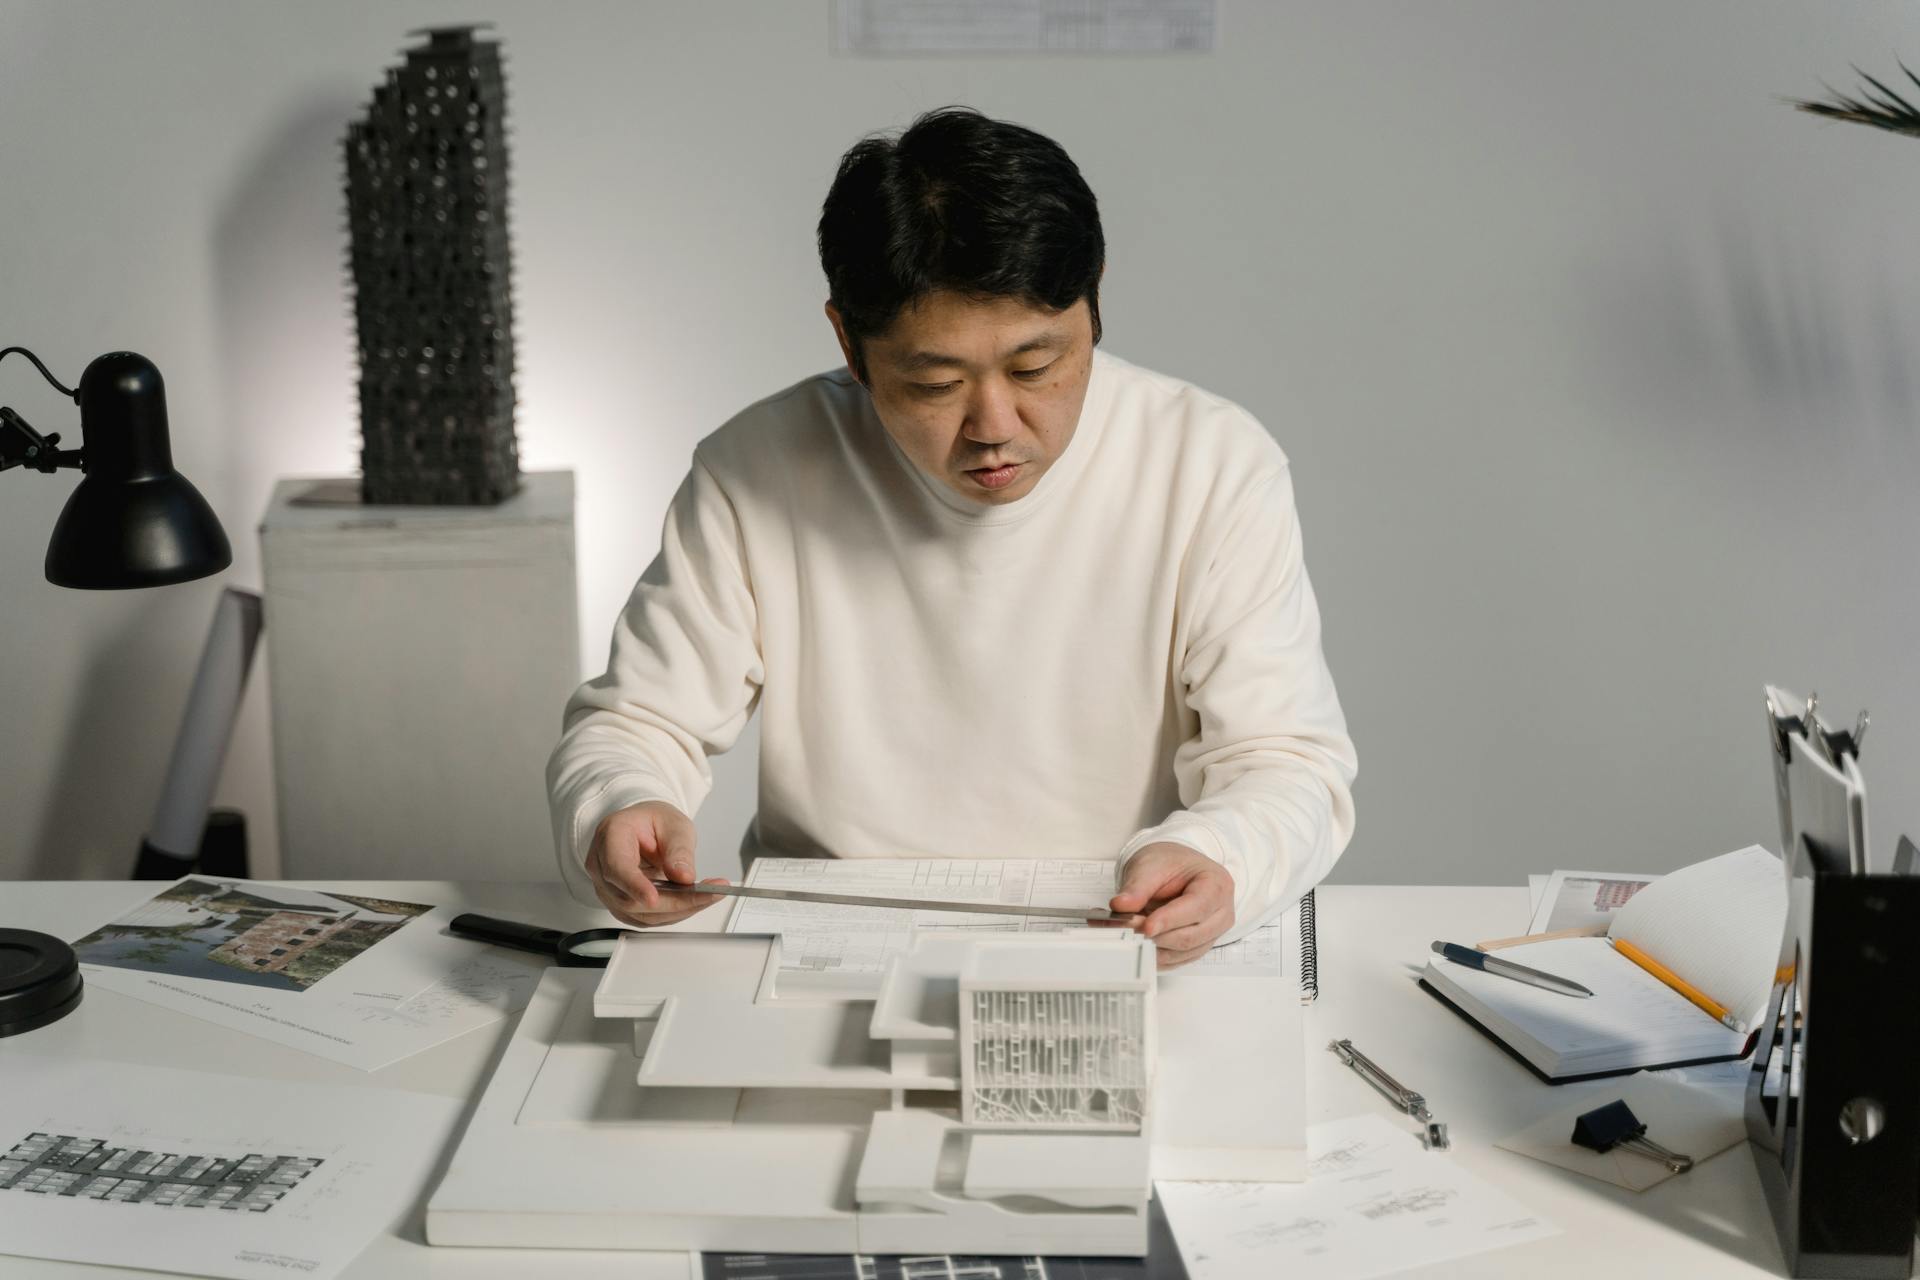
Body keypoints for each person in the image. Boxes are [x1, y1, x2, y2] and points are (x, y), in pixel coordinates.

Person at [547, 106, 1356, 968]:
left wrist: (1220, 856)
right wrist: (620, 802)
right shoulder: (758, 470)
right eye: (934, 383)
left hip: (1116, 933)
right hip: (829, 942)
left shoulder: (1212, 464)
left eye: (1036, 368)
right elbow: (638, 722)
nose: (994, 426)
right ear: (850, 346)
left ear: (1096, 302)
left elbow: (1283, 757)